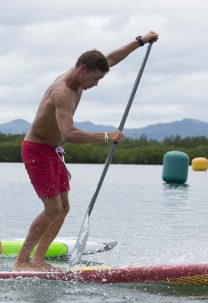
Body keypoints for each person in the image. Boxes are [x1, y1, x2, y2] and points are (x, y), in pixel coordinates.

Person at [13, 31, 159, 271]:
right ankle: (21, 261)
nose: (96, 84)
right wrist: (106, 136)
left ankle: (38, 260)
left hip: (53, 150)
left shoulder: (80, 74)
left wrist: (140, 42)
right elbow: (69, 133)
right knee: (52, 209)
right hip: (36, 150)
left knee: (64, 208)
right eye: (95, 78)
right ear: (82, 69)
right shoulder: (62, 91)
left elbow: (109, 58)